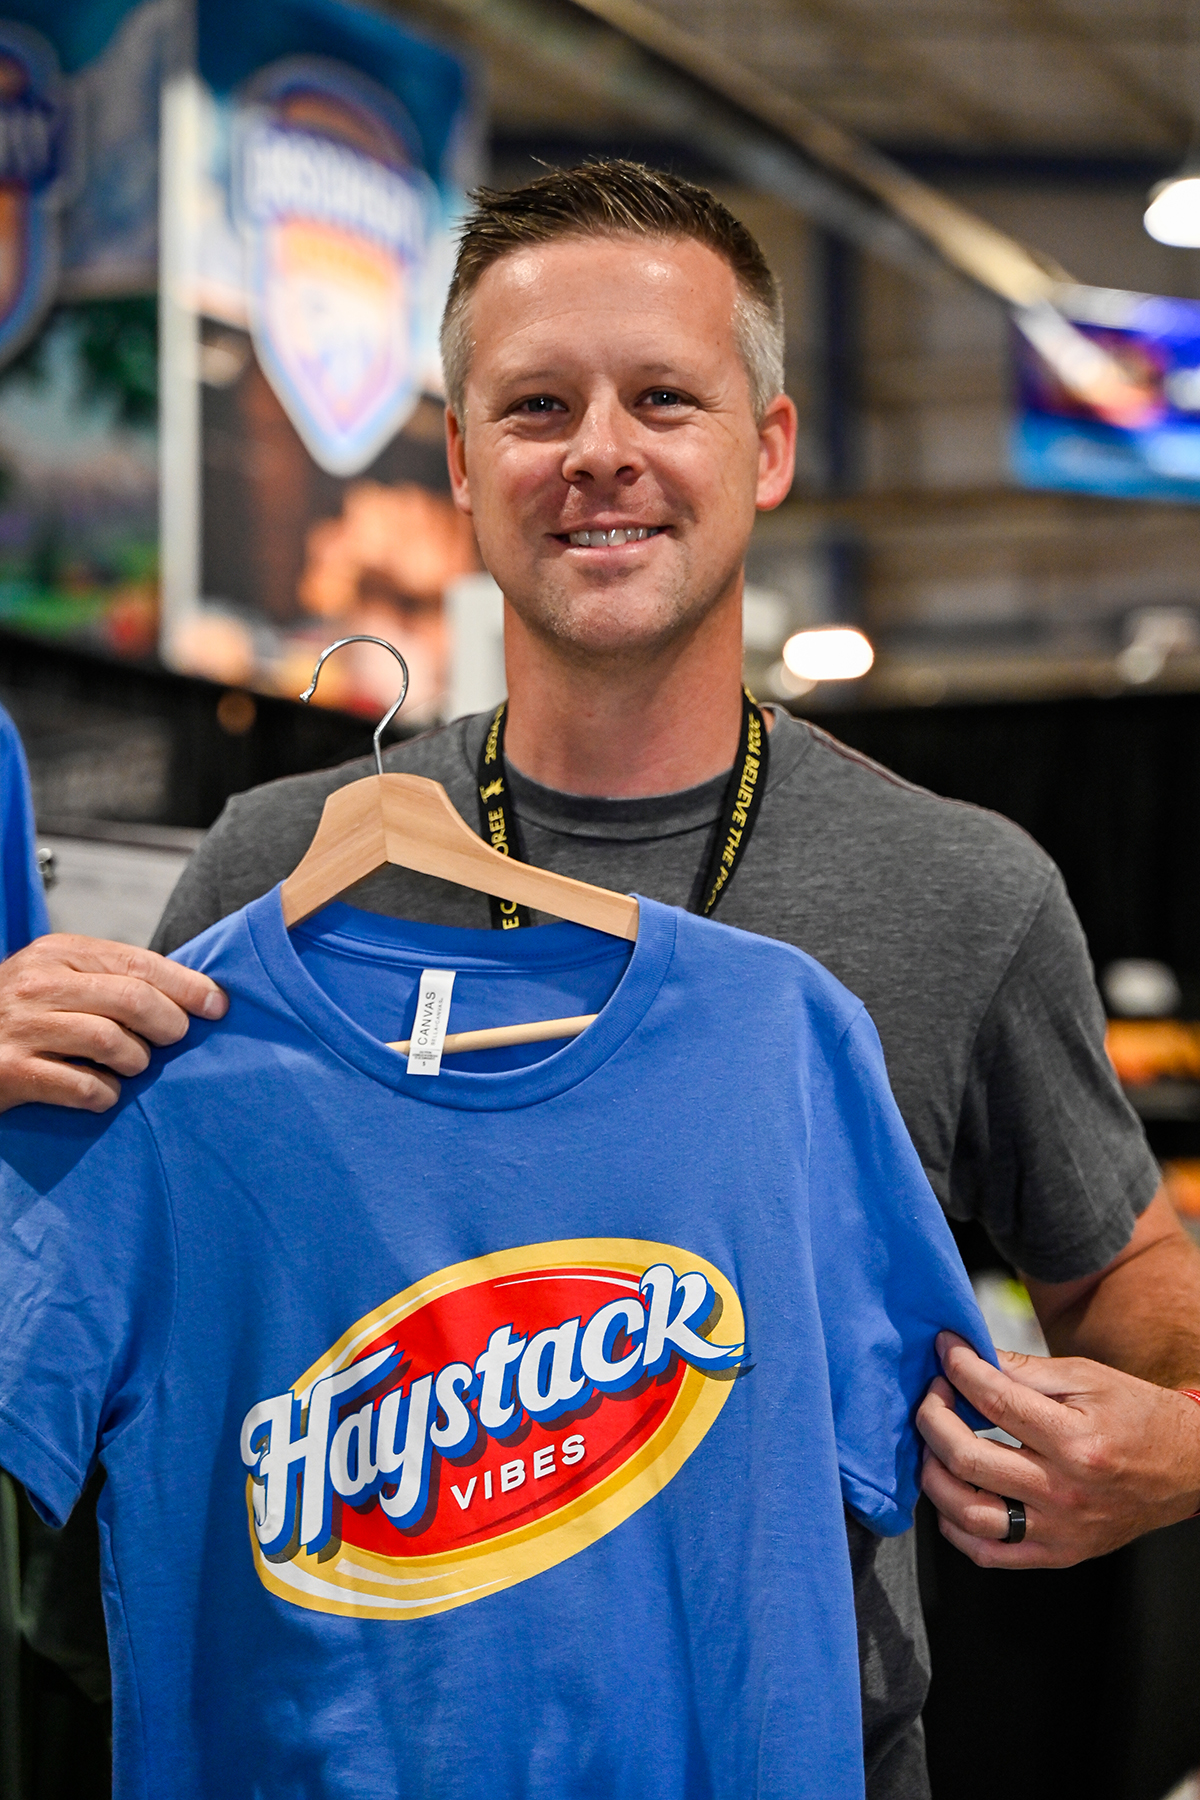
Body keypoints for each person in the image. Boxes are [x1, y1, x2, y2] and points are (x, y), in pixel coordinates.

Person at [2, 162, 1200, 1794]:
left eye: (663, 399)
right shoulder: (267, 874)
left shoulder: (960, 891)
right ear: (461, 462)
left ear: (767, 450)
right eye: (538, 405)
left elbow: (1125, 1278)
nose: (599, 456)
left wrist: (1183, 1442)